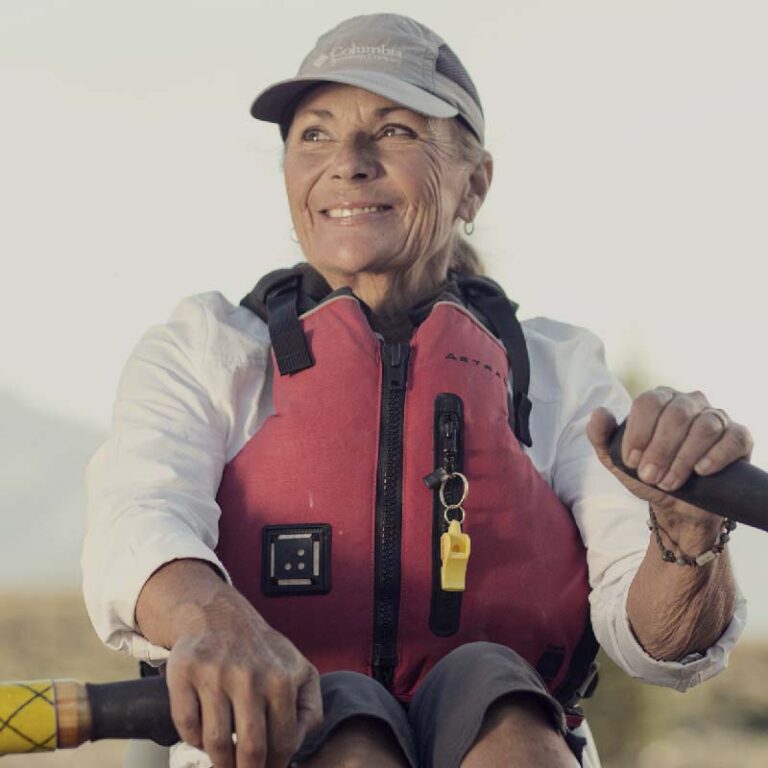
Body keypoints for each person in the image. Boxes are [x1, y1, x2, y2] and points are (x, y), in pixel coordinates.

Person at [82, 13, 749, 768]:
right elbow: (137, 518)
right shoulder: (205, 348)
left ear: (475, 184)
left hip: (518, 736)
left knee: (498, 693)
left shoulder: (560, 371)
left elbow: (663, 646)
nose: (349, 162)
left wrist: (689, 535)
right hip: (285, 733)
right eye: (315, 134)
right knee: (344, 724)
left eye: (395, 130)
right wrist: (212, 618)